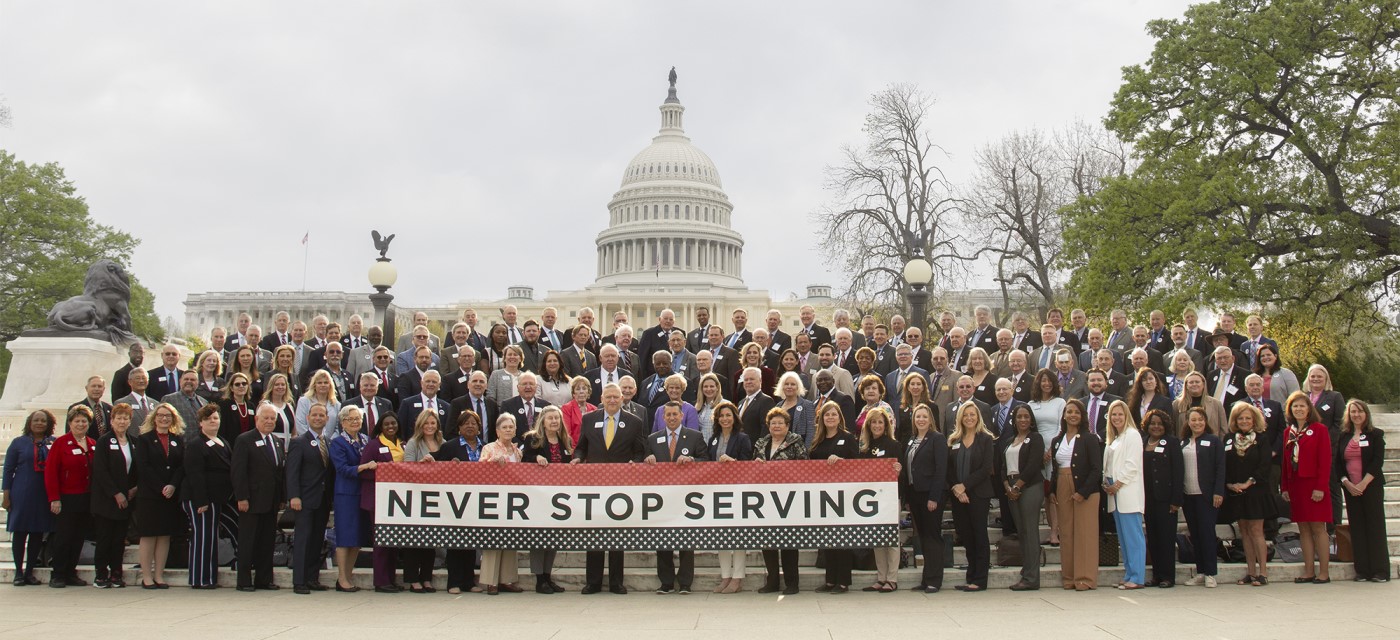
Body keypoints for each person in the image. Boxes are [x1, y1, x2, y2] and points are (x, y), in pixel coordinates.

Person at [572, 383, 646, 594]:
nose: (612, 400)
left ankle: (616, 582)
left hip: (620, 486)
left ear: (622, 398)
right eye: (608, 397)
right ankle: (593, 582)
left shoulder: (634, 422)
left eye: (616, 397)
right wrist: (577, 459)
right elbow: (581, 448)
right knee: (594, 533)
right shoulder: (589, 419)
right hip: (594, 485)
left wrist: (636, 462)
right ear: (601, 399)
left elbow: (639, 451)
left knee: (616, 534)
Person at [645, 402, 708, 594]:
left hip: (687, 498)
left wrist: (692, 461)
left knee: (686, 541)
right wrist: (647, 460)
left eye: (675, 414)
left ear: (682, 416)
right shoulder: (652, 439)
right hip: (662, 498)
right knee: (662, 540)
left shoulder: (695, 437)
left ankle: (685, 583)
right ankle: (666, 582)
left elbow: (706, 461)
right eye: (668, 415)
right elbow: (645, 462)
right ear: (663, 418)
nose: (672, 418)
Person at [753, 407, 808, 594]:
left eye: (780, 423)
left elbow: (803, 465)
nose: (776, 426)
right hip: (765, 498)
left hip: (789, 497)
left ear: (787, 425)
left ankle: (792, 583)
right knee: (767, 541)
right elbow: (752, 468)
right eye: (773, 423)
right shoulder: (761, 443)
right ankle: (772, 581)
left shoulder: (796, 441)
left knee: (789, 542)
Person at [181, 404, 235, 589]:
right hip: (201, 499)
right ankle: (199, 578)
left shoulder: (223, 441)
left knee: (211, 538)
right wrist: (201, 500)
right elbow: (195, 474)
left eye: (216, 418)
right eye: (209, 418)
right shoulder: (196, 444)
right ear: (201, 423)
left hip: (217, 498)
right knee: (202, 538)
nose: (213, 421)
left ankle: (210, 577)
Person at [1049, 398, 1101, 591]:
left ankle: (1085, 578)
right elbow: (1055, 469)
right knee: (1067, 531)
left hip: (1084, 488)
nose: (1072, 415)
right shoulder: (1057, 440)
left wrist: (1082, 491)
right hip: (1062, 484)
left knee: (1084, 532)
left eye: (1076, 412)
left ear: (1082, 416)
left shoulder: (1090, 438)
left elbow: (1096, 469)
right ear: (1063, 415)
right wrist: (1053, 490)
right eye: (1069, 412)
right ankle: (1069, 577)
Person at [232, 404, 286, 592]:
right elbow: (238, 472)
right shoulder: (245, 440)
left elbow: (279, 472)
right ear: (257, 419)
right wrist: (242, 497)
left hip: (270, 501)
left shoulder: (277, 441)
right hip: (251, 500)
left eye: (273, 419)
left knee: (267, 541)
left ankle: (264, 579)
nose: (270, 421)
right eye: (266, 418)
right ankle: (244, 580)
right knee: (248, 541)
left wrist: (281, 497)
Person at [1281, 391, 1332, 583]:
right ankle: (1308, 570)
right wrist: (1284, 487)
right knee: (1302, 528)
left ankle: (1324, 573)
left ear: (1309, 409)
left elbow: (1325, 461)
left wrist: (1320, 487)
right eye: (1295, 406)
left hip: (1314, 485)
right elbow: (1286, 463)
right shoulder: (1289, 432)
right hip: (1296, 486)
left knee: (1318, 527)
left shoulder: (1319, 429)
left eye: (1302, 406)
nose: (1299, 409)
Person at [808, 402, 859, 593]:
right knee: (827, 539)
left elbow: (857, 464)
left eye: (833, 414)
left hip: (843, 496)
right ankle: (830, 580)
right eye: (826, 415)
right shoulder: (818, 440)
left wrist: (842, 463)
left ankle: (843, 581)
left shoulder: (847, 438)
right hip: (822, 496)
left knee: (842, 540)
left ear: (839, 418)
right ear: (821, 418)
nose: (830, 417)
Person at [1336, 400, 1389, 583]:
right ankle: (1362, 570)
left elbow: (1377, 462)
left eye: (1360, 411)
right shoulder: (1343, 436)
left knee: (1375, 527)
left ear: (1366, 414)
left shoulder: (1375, 435)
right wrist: (1347, 483)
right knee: (1357, 528)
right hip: (1351, 489)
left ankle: (1380, 570)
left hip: (1370, 487)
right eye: (1353, 412)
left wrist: (1363, 484)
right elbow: (1338, 464)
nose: (1356, 415)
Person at [1222, 402, 1274, 586]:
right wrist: (1230, 484)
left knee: (1256, 531)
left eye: (1247, 418)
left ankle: (1263, 572)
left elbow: (1265, 465)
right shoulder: (1228, 439)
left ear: (1254, 420)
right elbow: (1224, 464)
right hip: (1236, 492)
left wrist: (1248, 483)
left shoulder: (1262, 439)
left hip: (1255, 491)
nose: (1244, 421)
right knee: (1243, 531)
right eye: (1240, 418)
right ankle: (1250, 571)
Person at [703, 401, 753, 593]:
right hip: (717, 493)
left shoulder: (742, 438)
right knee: (721, 536)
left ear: (734, 418)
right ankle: (725, 576)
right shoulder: (713, 439)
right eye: (721, 416)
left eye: (728, 416)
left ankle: (737, 577)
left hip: (738, 491)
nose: (725, 419)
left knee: (738, 537)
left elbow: (748, 463)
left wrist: (733, 462)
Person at [521, 406, 572, 594]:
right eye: (550, 418)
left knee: (553, 538)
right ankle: (539, 579)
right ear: (542, 420)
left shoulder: (564, 440)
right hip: (538, 496)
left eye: (557, 418)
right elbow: (525, 459)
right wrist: (536, 457)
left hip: (558, 498)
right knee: (539, 539)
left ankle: (548, 577)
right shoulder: (532, 438)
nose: (554, 421)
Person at [44, 406, 96, 588]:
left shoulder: (92, 443)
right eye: (77, 421)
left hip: (86, 498)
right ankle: (58, 574)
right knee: (64, 537)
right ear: (70, 423)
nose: (80, 424)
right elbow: (50, 472)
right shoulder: (61, 443)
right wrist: (54, 498)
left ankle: (71, 572)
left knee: (78, 538)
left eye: (84, 421)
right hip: (66, 498)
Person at [135, 403, 186, 589]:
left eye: (168, 416)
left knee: (164, 535)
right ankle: (147, 576)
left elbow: (181, 465)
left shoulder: (177, 439)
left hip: (170, 495)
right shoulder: (145, 440)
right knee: (149, 535)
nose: (164, 419)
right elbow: (143, 466)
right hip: (150, 495)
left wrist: (172, 485)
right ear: (154, 418)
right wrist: (161, 487)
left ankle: (159, 575)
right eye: (161, 415)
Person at [4, 410, 57, 585]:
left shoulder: (53, 443)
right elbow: (8, 470)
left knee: (37, 532)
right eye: (36, 420)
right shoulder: (18, 443)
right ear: (29, 422)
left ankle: (29, 571)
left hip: (43, 493)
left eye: (43, 420)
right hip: (21, 492)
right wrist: (6, 494)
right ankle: (18, 572)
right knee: (20, 532)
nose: (40, 423)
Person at [287, 402, 334, 594]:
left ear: (327, 419)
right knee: (303, 539)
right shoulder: (299, 442)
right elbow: (292, 472)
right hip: (304, 499)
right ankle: (299, 580)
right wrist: (294, 496)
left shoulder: (328, 442)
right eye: (314, 415)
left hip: (323, 500)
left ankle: (312, 578)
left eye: (321, 415)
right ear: (307, 418)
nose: (317, 418)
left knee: (316, 540)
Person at [946, 403, 994, 592]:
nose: (969, 418)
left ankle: (980, 579)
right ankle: (971, 576)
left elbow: (985, 468)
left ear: (978, 416)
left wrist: (964, 486)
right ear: (960, 417)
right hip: (958, 496)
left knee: (979, 536)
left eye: (972, 414)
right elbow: (949, 469)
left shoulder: (986, 439)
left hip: (978, 494)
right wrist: (957, 489)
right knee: (966, 536)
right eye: (965, 415)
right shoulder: (953, 439)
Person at [996, 403, 1045, 590]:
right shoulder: (1010, 440)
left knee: (1030, 532)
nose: (1023, 420)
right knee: (1022, 532)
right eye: (1019, 417)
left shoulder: (1036, 438)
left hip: (1030, 487)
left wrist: (1017, 486)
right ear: (1014, 420)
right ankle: (1026, 573)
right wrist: (1008, 486)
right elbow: (1002, 467)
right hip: (1012, 488)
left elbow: (1033, 465)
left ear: (1031, 419)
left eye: (1026, 416)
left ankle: (1032, 578)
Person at [91, 403, 139, 588]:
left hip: (127, 500)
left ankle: (116, 573)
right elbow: (101, 471)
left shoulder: (133, 441)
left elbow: (137, 469)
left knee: (119, 540)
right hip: (107, 500)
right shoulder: (104, 441)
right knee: (105, 538)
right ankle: (101, 574)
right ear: (112, 421)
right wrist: (116, 493)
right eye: (118, 418)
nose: (122, 421)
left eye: (125, 418)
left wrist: (134, 489)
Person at [902, 404, 948, 593]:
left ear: (930, 420)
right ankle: (926, 578)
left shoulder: (937, 439)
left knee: (932, 537)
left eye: (924, 417)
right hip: (915, 494)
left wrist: (934, 497)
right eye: (917, 417)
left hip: (931, 495)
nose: (921, 420)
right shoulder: (912, 440)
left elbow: (941, 470)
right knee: (923, 536)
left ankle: (934, 580)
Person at [1179, 406, 1226, 588]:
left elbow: (1220, 468)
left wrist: (1218, 492)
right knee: (1195, 535)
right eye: (1193, 420)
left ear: (1205, 422)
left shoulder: (1213, 441)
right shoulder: (1183, 443)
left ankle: (1211, 573)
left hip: (1207, 496)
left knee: (1207, 534)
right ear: (1188, 422)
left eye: (1200, 420)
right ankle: (1200, 571)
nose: (1197, 423)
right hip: (1188, 495)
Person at [1102, 400, 1146, 590]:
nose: (1117, 418)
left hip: (1126, 490)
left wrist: (1118, 484)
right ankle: (1129, 573)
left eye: (1120, 414)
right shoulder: (1115, 438)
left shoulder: (1132, 435)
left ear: (1126, 415)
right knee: (1124, 538)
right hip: (1114, 492)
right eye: (1113, 415)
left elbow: (1132, 464)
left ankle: (1137, 577)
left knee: (1133, 537)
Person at [479, 414, 525, 595]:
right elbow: (478, 470)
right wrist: (491, 463)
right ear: (497, 431)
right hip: (493, 498)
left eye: (511, 427)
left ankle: (507, 580)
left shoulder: (517, 451)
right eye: (504, 427)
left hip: (513, 500)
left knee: (510, 540)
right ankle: (491, 582)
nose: (508, 430)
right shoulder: (489, 448)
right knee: (493, 541)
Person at [860, 407, 904, 591]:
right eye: (873, 422)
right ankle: (881, 577)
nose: (877, 426)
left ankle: (892, 579)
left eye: (880, 422)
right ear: (868, 425)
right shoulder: (863, 447)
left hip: (891, 498)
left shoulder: (895, 445)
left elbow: (903, 474)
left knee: (892, 538)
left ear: (886, 425)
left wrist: (898, 470)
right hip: (872, 500)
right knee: (877, 538)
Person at [329, 405, 371, 593]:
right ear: (343, 422)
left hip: (363, 493)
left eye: (358, 419)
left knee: (357, 537)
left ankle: (349, 574)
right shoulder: (338, 443)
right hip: (346, 494)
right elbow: (342, 469)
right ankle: (341, 577)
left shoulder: (365, 440)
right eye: (351, 419)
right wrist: (362, 468)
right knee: (345, 537)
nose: (355, 422)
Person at [1139, 409, 1183, 588]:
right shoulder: (1142, 442)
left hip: (1166, 498)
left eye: (1159, 424)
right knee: (1154, 538)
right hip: (1147, 498)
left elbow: (1179, 472)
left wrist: (1176, 500)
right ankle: (1156, 575)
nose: (1156, 427)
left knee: (1166, 538)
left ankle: (1167, 576)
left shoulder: (1172, 443)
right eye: (1152, 423)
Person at [360, 413, 402, 592]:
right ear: (380, 426)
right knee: (381, 543)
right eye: (387, 424)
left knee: (392, 542)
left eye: (393, 423)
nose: (391, 426)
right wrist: (382, 472)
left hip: (398, 501)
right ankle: (381, 581)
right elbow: (363, 471)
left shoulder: (403, 444)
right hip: (378, 499)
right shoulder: (373, 445)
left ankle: (391, 579)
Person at [1028, 369, 1065, 545]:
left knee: (1053, 494)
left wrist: (1051, 450)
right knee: (1043, 494)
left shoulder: (1060, 402)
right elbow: (1030, 427)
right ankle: (1050, 530)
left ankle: (1055, 532)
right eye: (1043, 381)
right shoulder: (1031, 403)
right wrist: (1039, 453)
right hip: (1036, 451)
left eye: (1049, 381)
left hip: (1055, 450)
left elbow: (1061, 427)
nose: (1046, 384)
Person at [1173, 371, 1226, 436]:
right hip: (1185, 443)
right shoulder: (1177, 404)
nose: (1194, 384)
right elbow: (1173, 429)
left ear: (1203, 384)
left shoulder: (1216, 404)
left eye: (1197, 382)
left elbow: (1223, 429)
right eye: (1191, 382)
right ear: (1186, 385)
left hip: (1212, 444)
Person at [295, 369, 341, 438]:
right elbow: (300, 424)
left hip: (329, 444)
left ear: (330, 385)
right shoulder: (304, 401)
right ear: (314, 385)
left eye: (326, 383)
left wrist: (328, 442)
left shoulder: (337, 405)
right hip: (307, 442)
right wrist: (312, 439)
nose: (323, 385)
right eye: (319, 383)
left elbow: (338, 428)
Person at [775, 371, 816, 444]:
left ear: (798, 387)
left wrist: (806, 452)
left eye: (793, 384)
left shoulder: (807, 405)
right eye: (786, 384)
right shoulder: (778, 406)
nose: (789, 386)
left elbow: (811, 432)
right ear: (782, 387)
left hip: (800, 450)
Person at [218, 372, 257, 445]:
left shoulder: (251, 406)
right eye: (237, 384)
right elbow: (222, 430)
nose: (241, 386)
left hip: (248, 446)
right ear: (231, 388)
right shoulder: (224, 405)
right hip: (231, 445)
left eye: (244, 383)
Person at [560, 376, 595, 445]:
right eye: (578, 389)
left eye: (584, 389)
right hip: (574, 449)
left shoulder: (594, 409)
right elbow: (567, 434)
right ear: (573, 393)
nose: (581, 391)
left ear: (588, 392)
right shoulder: (566, 409)